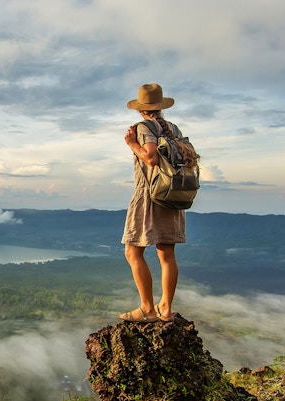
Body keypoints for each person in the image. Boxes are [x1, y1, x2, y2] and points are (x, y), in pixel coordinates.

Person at [119, 83, 199, 323]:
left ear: (141, 109)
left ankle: (147, 308)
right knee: (167, 252)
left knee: (132, 251)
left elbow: (151, 158)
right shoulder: (173, 129)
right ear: (161, 106)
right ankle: (165, 307)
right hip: (173, 194)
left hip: (151, 194)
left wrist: (132, 144)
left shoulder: (143, 128)